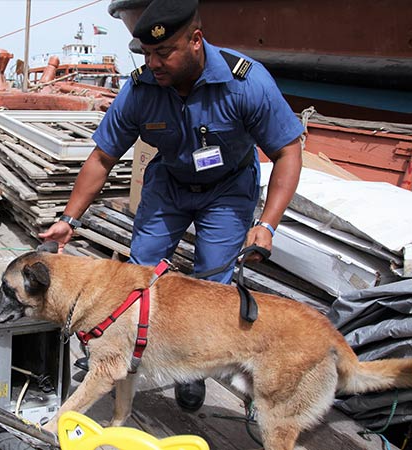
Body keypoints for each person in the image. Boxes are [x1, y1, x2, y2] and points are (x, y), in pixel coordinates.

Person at [39, 0, 304, 413]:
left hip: (228, 188)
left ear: (196, 40)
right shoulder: (142, 89)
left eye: (164, 53)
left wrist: (267, 225)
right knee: (137, 275)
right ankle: (118, 353)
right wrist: (69, 220)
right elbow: (102, 157)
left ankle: (192, 370)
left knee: (212, 285)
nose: (154, 63)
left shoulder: (245, 82)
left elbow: (288, 151)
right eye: (146, 54)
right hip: (171, 183)